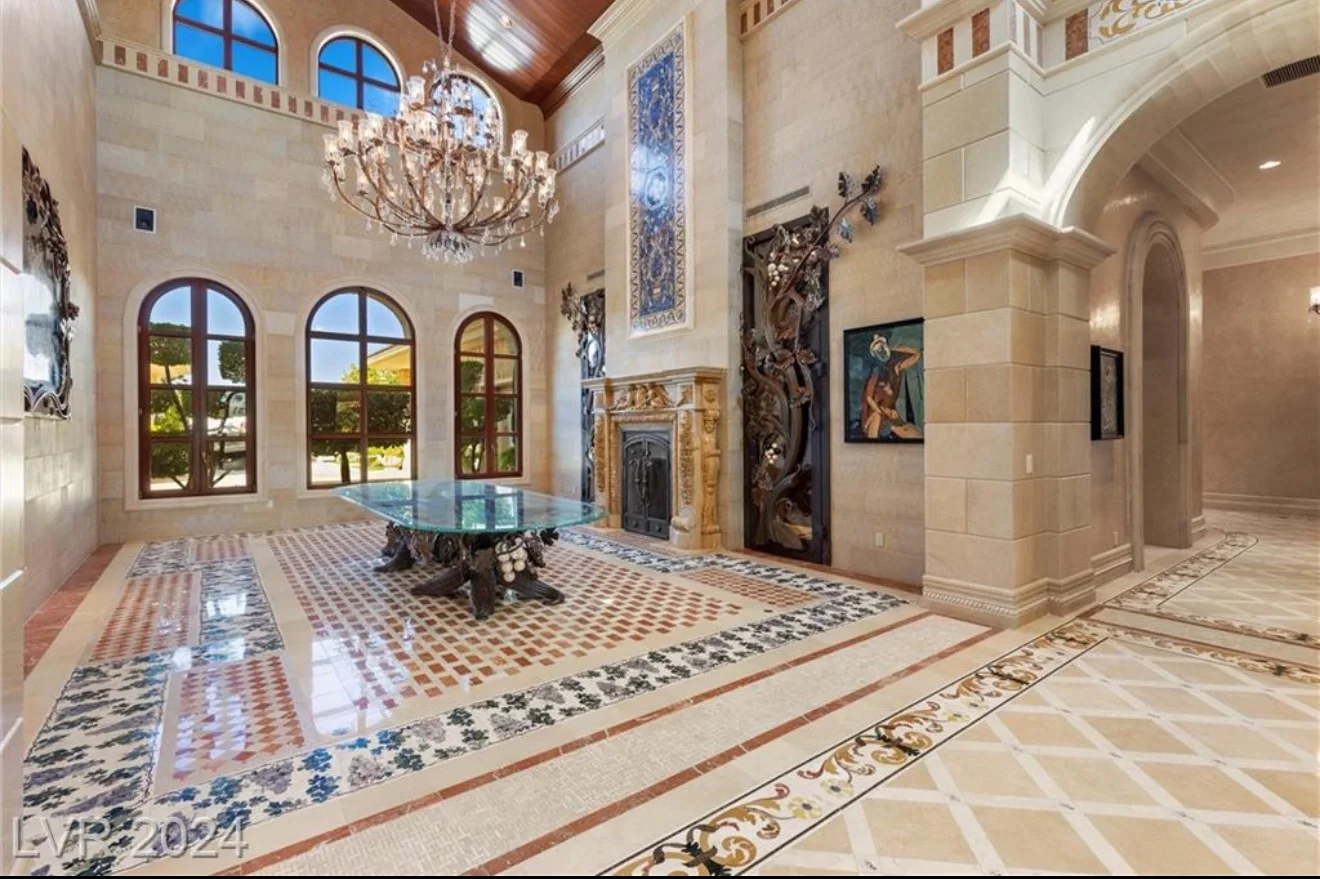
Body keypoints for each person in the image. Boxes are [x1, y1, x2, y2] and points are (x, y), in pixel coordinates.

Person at [860, 333, 922, 439]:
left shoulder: (896, 368)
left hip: (891, 414)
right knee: (877, 422)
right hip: (878, 413)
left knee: (917, 435)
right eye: (878, 351)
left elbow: (917, 355)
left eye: (883, 348)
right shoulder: (876, 373)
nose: (882, 352)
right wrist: (880, 411)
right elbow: (869, 397)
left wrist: (894, 348)